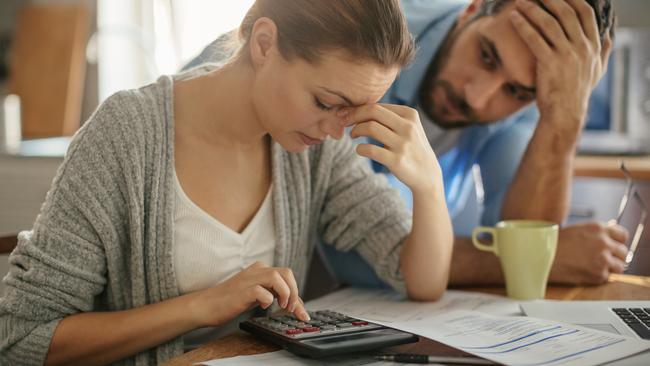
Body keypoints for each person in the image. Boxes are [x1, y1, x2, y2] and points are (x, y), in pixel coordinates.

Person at [0, 1, 454, 365]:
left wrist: (428, 186)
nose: (338, 130)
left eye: (353, 113)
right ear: (264, 43)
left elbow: (421, 280)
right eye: (326, 102)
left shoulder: (315, 148)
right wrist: (201, 306)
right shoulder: (126, 135)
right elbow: (22, 338)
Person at [188, 0, 627, 288]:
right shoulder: (361, 41)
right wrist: (533, 261)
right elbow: (361, 260)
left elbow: (522, 251)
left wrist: (564, 116)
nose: (478, 97)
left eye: (517, 92)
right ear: (470, 10)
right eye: (486, 56)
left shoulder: (532, 96)